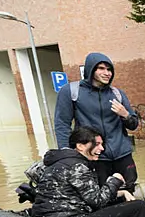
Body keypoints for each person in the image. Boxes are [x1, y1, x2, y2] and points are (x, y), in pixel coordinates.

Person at [31, 126, 145, 217]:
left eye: (102, 144)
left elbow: (88, 195)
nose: (102, 149)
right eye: (97, 144)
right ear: (80, 146)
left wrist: (123, 193)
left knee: (116, 200)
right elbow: (98, 201)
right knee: (138, 207)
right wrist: (115, 180)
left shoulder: (61, 162)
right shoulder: (77, 166)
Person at [54, 52, 139, 191]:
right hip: (95, 156)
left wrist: (125, 115)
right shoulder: (71, 91)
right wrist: (68, 156)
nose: (107, 73)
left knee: (129, 190)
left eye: (109, 69)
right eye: (101, 68)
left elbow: (134, 125)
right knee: (99, 195)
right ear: (90, 69)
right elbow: (62, 125)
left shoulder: (117, 94)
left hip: (122, 155)